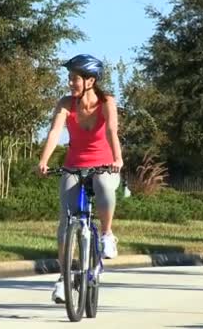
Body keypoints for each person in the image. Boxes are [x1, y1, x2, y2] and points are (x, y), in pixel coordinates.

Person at [37, 54, 123, 303]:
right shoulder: (66, 103)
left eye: (75, 79)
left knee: (104, 185)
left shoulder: (106, 102)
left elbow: (111, 131)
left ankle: (106, 235)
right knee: (65, 224)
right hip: (73, 165)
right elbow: (54, 132)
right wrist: (43, 160)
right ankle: (63, 280)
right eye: (70, 78)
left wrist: (117, 160)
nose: (70, 83)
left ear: (90, 80)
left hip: (105, 165)